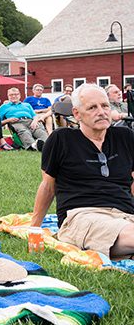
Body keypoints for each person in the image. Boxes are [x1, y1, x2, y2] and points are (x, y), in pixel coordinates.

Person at [31, 83, 134, 259]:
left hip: (125, 214)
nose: (101, 112)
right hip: (81, 216)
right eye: (92, 107)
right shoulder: (61, 139)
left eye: (105, 106)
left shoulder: (125, 136)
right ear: (77, 113)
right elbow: (48, 187)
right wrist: (34, 229)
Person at [0, 87, 48, 151]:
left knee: (40, 132)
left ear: (19, 95)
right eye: (11, 95)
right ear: (8, 96)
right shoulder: (4, 107)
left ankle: (47, 144)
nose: (14, 96)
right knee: (24, 131)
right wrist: (8, 120)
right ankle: (33, 146)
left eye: (16, 94)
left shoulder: (27, 105)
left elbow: (34, 115)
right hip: (16, 122)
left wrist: (35, 121)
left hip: (30, 121)